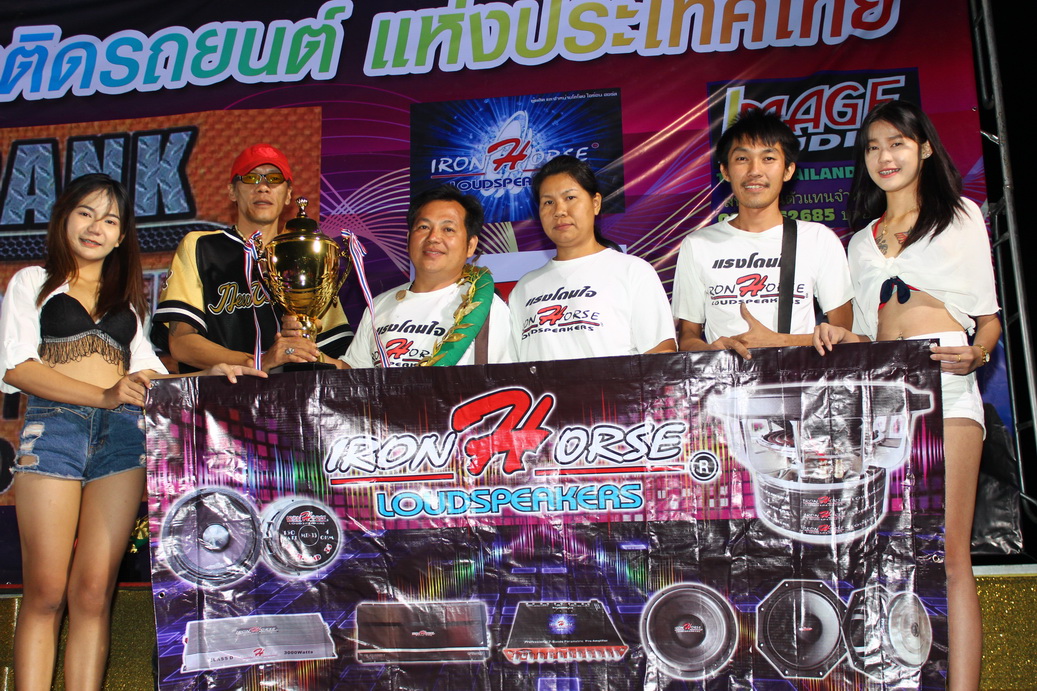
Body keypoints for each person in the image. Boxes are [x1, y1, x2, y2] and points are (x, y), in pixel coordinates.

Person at [0, 174, 264, 691]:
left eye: (110, 220)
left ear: (121, 236)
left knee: (94, 593)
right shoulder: (34, 281)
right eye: (85, 213)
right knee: (46, 591)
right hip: (54, 432)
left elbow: (150, 377)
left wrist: (206, 375)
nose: (95, 227)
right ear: (64, 217)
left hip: (122, 441)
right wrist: (103, 395)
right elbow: (17, 367)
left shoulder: (127, 301)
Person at [813, 100, 999, 690]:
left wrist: (978, 354)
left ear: (924, 149)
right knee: (888, 551)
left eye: (896, 143)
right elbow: (869, 333)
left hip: (948, 381)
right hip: (885, 394)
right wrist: (840, 335)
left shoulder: (960, 217)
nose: (884, 156)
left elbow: (988, 318)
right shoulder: (858, 243)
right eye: (873, 147)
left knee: (950, 553)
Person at [151, 143, 352, 372]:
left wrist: (302, 345)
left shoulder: (308, 254)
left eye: (274, 179)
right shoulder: (201, 247)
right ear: (232, 191)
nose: (263, 187)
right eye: (251, 178)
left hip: (294, 393)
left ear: (288, 194)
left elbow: (344, 364)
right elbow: (181, 343)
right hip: (222, 391)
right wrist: (259, 362)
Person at [672, 108, 853, 358]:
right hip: (724, 380)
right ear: (725, 171)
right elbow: (687, 338)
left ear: (788, 170)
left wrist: (779, 342)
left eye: (768, 158)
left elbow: (845, 334)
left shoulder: (818, 239)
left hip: (800, 376)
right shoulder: (698, 244)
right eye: (742, 158)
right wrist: (712, 351)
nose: (755, 170)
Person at [509, 155, 676, 361]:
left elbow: (661, 355)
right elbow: (512, 368)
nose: (559, 211)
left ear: (595, 203)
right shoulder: (525, 288)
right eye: (548, 202)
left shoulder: (633, 272)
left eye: (570, 198)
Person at [342, 185, 513, 367]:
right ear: (408, 239)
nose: (433, 237)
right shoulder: (379, 306)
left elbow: (504, 378)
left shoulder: (487, 308)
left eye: (448, 229)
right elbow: (353, 374)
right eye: (423, 227)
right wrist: (319, 357)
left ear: (470, 245)